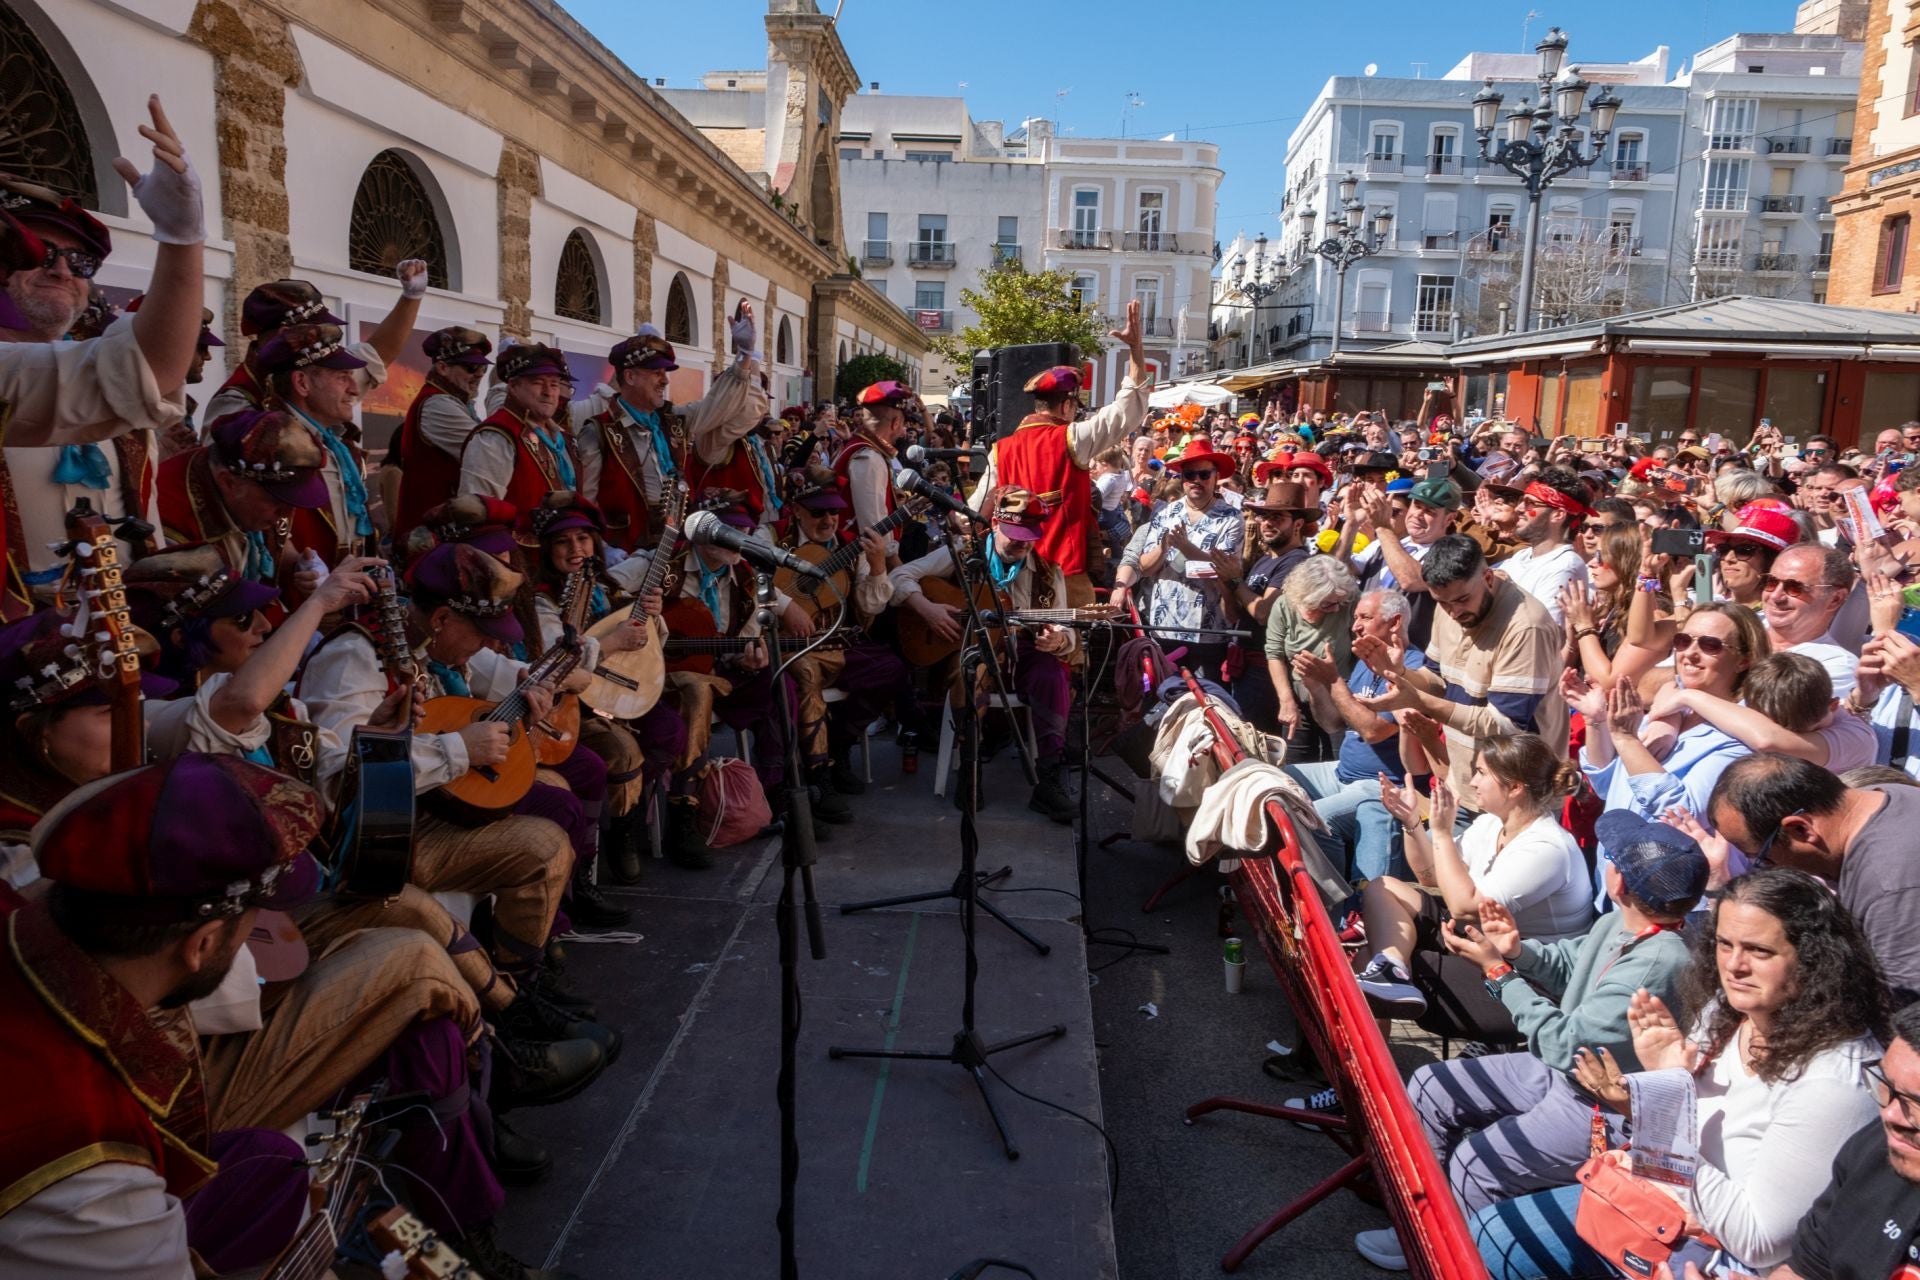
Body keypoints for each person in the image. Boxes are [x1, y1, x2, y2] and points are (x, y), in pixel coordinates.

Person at [1469, 867, 1890, 1280]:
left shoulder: (1832, 1080)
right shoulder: (1727, 1010)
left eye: (1759, 951)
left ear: (1815, 960)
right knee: (1489, 1228)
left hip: (1717, 1255)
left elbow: (1758, 1242)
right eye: (1724, 944)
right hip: (1661, 1200)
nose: (1734, 966)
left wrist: (1659, 1106)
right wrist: (1655, 1086)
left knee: (1494, 1232)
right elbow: (1683, 1136)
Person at [1349, 812, 1709, 1273]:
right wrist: (1516, 950)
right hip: (1567, 1074)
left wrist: (1497, 972)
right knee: (1427, 1088)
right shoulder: (1623, 924)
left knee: (1476, 1164)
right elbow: (1569, 964)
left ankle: (1452, 1259)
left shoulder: (1659, 961)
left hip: (1603, 1104)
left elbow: (1564, 1041)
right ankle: (1420, 1221)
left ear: (1617, 880)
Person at [1356, 734, 1591, 1020]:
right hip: (1481, 940)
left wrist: (1442, 831)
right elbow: (1430, 875)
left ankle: (1373, 1049)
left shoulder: (1546, 847)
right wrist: (1412, 823)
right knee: (1383, 889)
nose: (1472, 782)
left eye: (1481, 773)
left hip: (1525, 978)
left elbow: (1464, 907)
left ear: (1515, 787)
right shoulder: (1492, 823)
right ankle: (1392, 968)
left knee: (1369, 961)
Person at [891, 486, 1079, 822]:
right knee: (972, 667)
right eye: (1014, 535)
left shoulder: (1049, 573)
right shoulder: (962, 553)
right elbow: (900, 575)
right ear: (994, 524)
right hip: (974, 649)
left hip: (1022, 652)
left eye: (1029, 537)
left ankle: (1048, 778)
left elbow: (1066, 629)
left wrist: (1059, 641)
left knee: (1051, 672)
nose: (1022, 543)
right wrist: (927, 608)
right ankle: (969, 768)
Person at [1354, 535, 1568, 822]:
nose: (1454, 612)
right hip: (1465, 787)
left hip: (1517, 799)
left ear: (1488, 578)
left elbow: (1504, 725)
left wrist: (1419, 701)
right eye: (1441, 602)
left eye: (1462, 600)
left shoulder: (1527, 627)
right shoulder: (1448, 606)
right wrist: (1400, 672)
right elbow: (1437, 680)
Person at [1570, 602, 1768, 901]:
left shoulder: (1739, 738)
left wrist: (1627, 739)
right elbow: (1608, 786)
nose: (1690, 653)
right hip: (1618, 887)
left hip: (1673, 901)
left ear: (1743, 660)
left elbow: (1681, 812)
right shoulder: (1665, 711)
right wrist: (1596, 722)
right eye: (1683, 640)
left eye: (1710, 645)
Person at [964, 303, 1150, 603]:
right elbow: (1128, 410)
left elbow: (976, 512)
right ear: (1066, 406)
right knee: (1067, 648)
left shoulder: (1001, 450)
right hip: (1064, 578)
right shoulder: (1072, 437)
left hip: (1013, 578)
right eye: (1075, 407)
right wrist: (1135, 349)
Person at [1709, 753, 1920, 1004]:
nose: (1768, 869)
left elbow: (1913, 1021)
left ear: (1800, 829)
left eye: (1762, 857)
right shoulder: (1887, 794)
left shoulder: (1888, 888)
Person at [1289, 588, 1426, 885]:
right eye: (1355, 618)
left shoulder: (1415, 668)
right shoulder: (1365, 665)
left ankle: (1334, 905)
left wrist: (1335, 680)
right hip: (1341, 773)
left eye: (1365, 617)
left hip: (1381, 784)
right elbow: (1333, 723)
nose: (1355, 626)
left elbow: (1373, 731)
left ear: (1395, 622)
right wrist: (1315, 686)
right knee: (1276, 782)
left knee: (1313, 820)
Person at [1112, 435, 1245, 681]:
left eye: (1204, 475)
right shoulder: (1166, 512)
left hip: (1207, 630)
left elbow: (1223, 570)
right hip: (1163, 626)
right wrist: (1163, 548)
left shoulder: (1231, 517)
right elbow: (1145, 567)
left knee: (1207, 701)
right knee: (1159, 696)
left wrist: (1185, 547)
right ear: (1181, 478)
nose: (1196, 481)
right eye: (1189, 475)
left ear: (1215, 477)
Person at [156, 408, 331, 588]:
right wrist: (317, 606)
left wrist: (301, 566)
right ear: (228, 482)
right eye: (277, 501)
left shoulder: (247, 499)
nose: (286, 512)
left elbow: (272, 541)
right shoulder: (172, 523)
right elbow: (219, 613)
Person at [256, 321, 378, 564]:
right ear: (302, 383)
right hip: (301, 594)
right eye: (342, 378)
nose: (354, 390)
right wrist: (296, 568)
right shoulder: (270, 441)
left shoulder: (333, 441)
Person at [1221, 478, 1318, 728]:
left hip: (1265, 671)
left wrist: (1234, 580)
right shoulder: (1265, 559)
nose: (1267, 523)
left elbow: (1264, 612)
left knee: (1257, 740)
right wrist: (1223, 581)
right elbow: (1233, 615)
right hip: (1243, 665)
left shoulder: (1296, 561)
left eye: (1277, 518)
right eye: (1264, 516)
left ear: (1297, 524)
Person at [389, 326, 493, 545]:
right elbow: (488, 452)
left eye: (483, 367)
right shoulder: (438, 404)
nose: (479, 375)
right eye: (471, 366)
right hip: (431, 539)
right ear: (443, 367)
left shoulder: (454, 401)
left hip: (440, 535)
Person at [461, 342, 584, 515]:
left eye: (555, 384)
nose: (548, 392)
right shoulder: (496, 436)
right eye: (538, 383)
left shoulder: (565, 438)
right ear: (513, 386)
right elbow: (478, 512)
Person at [1344, 474, 1461, 650]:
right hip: (1363, 645)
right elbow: (1341, 570)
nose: (1418, 515)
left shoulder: (1452, 551)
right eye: (1417, 506)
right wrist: (1351, 524)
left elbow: (1411, 580)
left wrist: (1382, 527)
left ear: (1449, 519)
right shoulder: (1383, 543)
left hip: (1407, 656)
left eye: (1429, 511)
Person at [1264, 554, 1359, 762]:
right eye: (1327, 604)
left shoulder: (1347, 604)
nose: (1335, 609)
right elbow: (1274, 653)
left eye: (1339, 603)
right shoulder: (1284, 605)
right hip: (1299, 698)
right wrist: (1286, 700)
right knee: (1295, 765)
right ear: (1308, 597)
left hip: (1340, 696)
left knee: (1338, 761)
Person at [1761, 542, 1861, 699]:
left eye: (1795, 587)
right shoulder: (1736, 630)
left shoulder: (1836, 666)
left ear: (1835, 599)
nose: (1775, 596)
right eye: (1771, 582)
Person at [1498, 468, 1594, 626]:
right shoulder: (1522, 555)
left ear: (1558, 515)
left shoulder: (1564, 567)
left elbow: (1536, 630)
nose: (1519, 508)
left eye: (1530, 504)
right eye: (1522, 500)